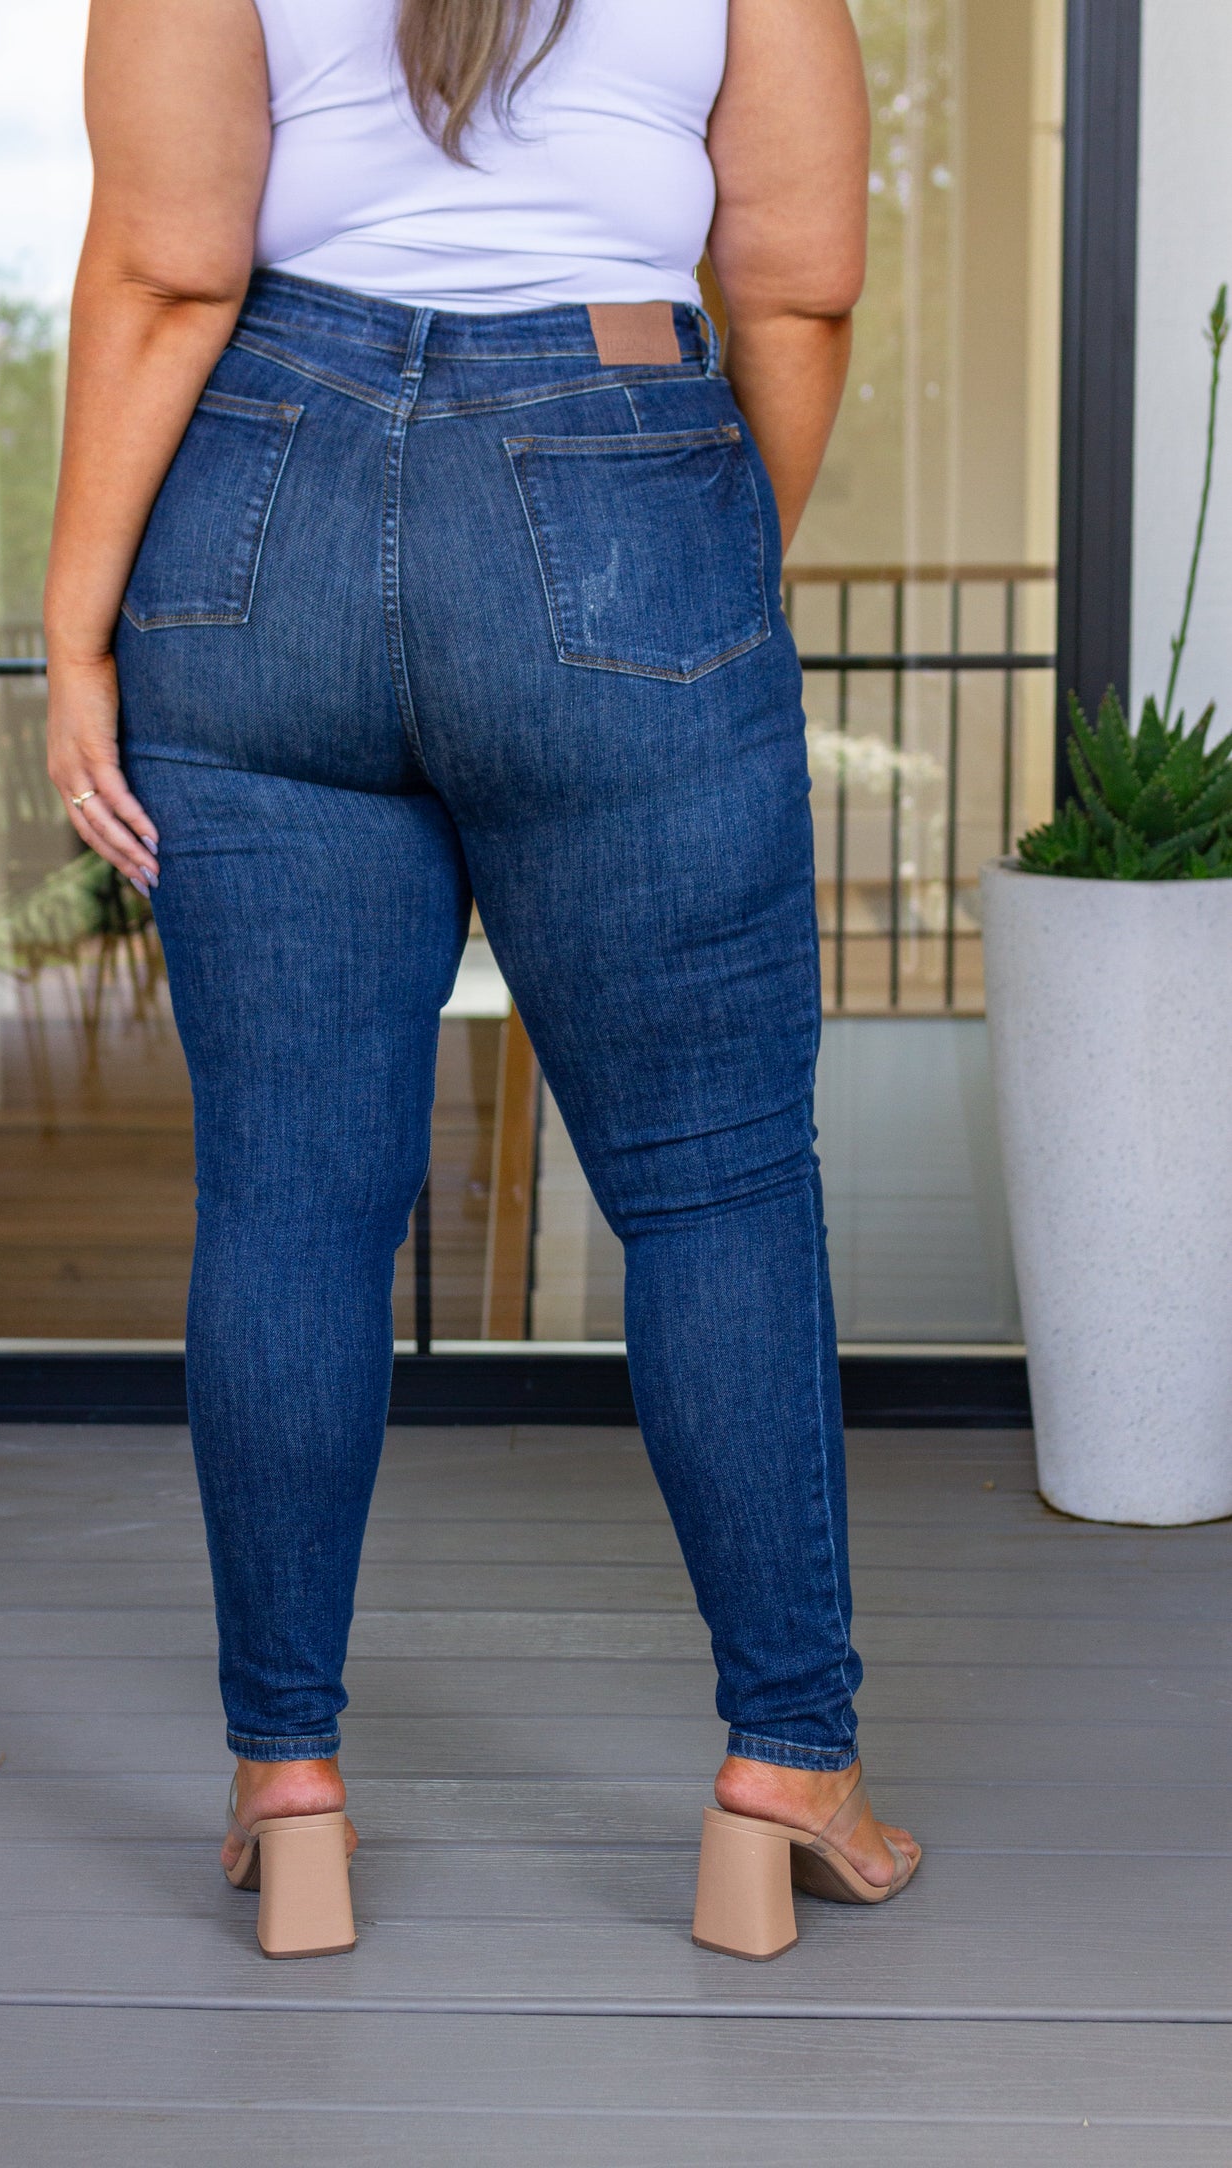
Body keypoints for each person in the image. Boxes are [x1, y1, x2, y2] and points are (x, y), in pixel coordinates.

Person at [45, 0, 920, 1962]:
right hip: (619, 455)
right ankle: (786, 1768)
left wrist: (76, 627)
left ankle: (290, 1784)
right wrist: (686, 560)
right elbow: (798, 291)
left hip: (254, 503)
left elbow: (169, 272)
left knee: (289, 1207)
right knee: (713, 1190)